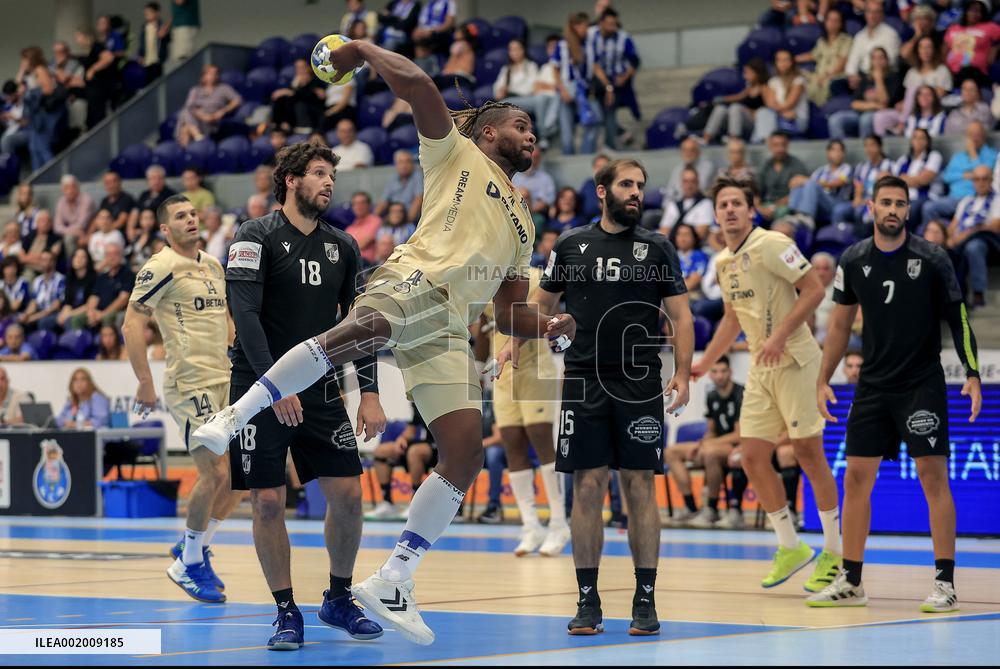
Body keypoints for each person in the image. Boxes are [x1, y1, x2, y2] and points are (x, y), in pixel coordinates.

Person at [193, 37, 575, 646]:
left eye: (534, 129)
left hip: (451, 326)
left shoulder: (526, 223)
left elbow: (508, 314)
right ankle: (234, 415)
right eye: (520, 125)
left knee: (466, 452)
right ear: (487, 133)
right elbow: (422, 87)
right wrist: (363, 49)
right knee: (354, 333)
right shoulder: (453, 155)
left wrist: (551, 325)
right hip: (414, 280)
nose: (531, 135)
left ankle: (396, 577)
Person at [505, 157, 690, 636]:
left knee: (640, 486)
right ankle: (588, 601)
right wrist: (515, 340)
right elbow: (540, 305)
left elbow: (682, 318)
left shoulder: (658, 247)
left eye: (641, 185)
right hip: (583, 379)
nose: (636, 192)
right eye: (626, 184)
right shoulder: (571, 244)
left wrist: (684, 373)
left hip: (639, 382)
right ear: (602, 190)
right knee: (587, 487)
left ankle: (644, 599)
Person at [227, 142, 389, 648]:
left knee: (347, 495)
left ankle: (338, 598)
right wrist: (272, 387)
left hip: (319, 389)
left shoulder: (343, 245)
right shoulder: (253, 236)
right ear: (291, 180)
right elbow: (246, 316)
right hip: (257, 386)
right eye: (319, 173)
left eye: (331, 176)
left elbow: (358, 325)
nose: (328, 183)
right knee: (269, 501)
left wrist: (369, 393)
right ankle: (285, 610)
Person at [811, 174, 981, 612]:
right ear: (871, 207)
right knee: (856, 479)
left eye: (900, 204)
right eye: (885, 202)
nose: (892, 210)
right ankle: (851, 581)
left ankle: (945, 583)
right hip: (872, 384)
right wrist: (822, 378)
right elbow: (839, 325)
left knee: (933, 477)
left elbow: (957, 318)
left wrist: (973, 372)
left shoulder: (932, 257)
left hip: (920, 383)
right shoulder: (853, 258)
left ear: (908, 210)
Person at [692, 176, 843, 596]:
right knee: (752, 456)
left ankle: (835, 550)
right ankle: (791, 547)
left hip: (795, 358)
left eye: (737, 203)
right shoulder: (722, 261)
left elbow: (814, 290)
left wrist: (780, 336)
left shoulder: (774, 243)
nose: (730, 210)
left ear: (751, 209)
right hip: (761, 365)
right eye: (723, 204)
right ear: (716, 214)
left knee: (809, 453)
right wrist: (704, 362)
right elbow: (731, 317)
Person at [123, 193, 242, 603]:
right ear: (165, 228)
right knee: (216, 473)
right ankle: (188, 564)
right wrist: (144, 381)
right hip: (190, 384)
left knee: (243, 476)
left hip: (225, 378)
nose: (191, 219)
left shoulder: (212, 264)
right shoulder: (160, 267)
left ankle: (194, 545)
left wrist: (237, 348)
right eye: (180, 216)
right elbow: (131, 323)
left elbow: (225, 317)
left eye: (193, 213)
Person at [481, 266, 570, 556]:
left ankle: (559, 522)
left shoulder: (535, 277)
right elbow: (482, 336)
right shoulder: (482, 279)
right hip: (502, 372)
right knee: (512, 445)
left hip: (535, 367)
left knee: (541, 441)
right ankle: (531, 525)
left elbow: (541, 319)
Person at [665, 355, 744, 527]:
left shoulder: (740, 393)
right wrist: (702, 442)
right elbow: (712, 430)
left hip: (739, 447)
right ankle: (691, 507)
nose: (719, 375)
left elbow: (739, 435)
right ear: (710, 374)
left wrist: (708, 445)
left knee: (709, 452)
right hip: (716, 444)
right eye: (714, 371)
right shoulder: (712, 395)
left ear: (730, 372)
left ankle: (711, 509)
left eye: (723, 371)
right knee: (671, 452)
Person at [922, 122, 998, 229]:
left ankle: (954, 231)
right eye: (971, 134)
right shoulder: (958, 157)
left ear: (984, 135)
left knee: (929, 207)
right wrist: (963, 175)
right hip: (953, 197)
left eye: (978, 134)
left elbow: (982, 175)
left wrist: (973, 155)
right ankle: (946, 232)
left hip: (973, 198)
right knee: (928, 207)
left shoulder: (992, 154)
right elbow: (946, 176)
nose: (974, 138)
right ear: (967, 137)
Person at [371, 404, 437, 520]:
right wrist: (402, 439)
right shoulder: (419, 401)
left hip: (442, 446)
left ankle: (415, 504)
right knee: (381, 451)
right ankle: (387, 502)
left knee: (414, 452)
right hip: (425, 444)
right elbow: (411, 428)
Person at [946, 165, 1000, 308]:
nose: (980, 183)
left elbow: (995, 226)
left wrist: (968, 233)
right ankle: (951, 296)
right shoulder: (966, 201)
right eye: (976, 179)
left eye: (984, 179)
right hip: (962, 240)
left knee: (973, 246)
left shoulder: (997, 200)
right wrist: (950, 238)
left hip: (990, 243)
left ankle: (978, 293)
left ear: (991, 181)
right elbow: (952, 226)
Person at [587, 8, 640, 150]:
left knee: (609, 111)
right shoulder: (591, 35)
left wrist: (624, 77)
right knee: (600, 115)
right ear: (601, 23)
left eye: (615, 24)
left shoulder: (624, 37)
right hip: (596, 83)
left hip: (617, 83)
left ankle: (610, 146)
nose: (613, 27)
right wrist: (607, 86)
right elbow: (594, 64)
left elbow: (635, 61)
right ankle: (620, 134)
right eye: (610, 24)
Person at [494, 39, 559, 147]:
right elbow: (497, 89)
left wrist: (513, 87)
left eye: (517, 49)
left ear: (523, 50)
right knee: (503, 104)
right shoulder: (506, 69)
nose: (514, 52)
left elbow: (532, 87)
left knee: (540, 99)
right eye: (511, 50)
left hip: (528, 98)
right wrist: (501, 90)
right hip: (510, 99)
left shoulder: (531, 66)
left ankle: (543, 136)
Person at [552, 12, 601, 155]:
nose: (586, 29)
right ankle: (568, 156)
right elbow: (555, 70)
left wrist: (608, 86)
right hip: (567, 90)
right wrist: (563, 91)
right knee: (567, 129)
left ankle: (587, 154)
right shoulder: (562, 45)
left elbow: (596, 67)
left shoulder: (589, 45)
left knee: (594, 121)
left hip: (585, 91)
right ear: (575, 26)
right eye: (585, 26)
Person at [828, 47, 901, 140]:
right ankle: (840, 150)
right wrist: (874, 105)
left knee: (865, 119)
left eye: (881, 57)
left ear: (886, 60)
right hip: (860, 113)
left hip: (879, 116)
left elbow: (884, 102)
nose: (877, 61)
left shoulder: (893, 78)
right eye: (874, 58)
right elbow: (855, 104)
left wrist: (878, 79)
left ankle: (866, 150)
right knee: (835, 119)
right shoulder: (865, 79)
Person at [701, 58, 769, 144]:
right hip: (741, 120)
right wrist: (720, 99)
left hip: (754, 123)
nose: (745, 76)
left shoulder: (765, 89)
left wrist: (751, 111)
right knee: (720, 109)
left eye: (748, 73)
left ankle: (734, 138)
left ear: (757, 73)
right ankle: (706, 138)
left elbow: (768, 111)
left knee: (736, 107)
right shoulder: (749, 88)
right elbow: (737, 97)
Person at [789, 139, 853, 228]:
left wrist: (805, 180)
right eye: (833, 150)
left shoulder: (846, 168)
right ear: (828, 153)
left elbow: (837, 183)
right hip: (821, 202)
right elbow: (808, 187)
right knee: (799, 187)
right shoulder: (821, 170)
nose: (837, 153)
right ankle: (794, 214)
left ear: (844, 154)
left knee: (809, 183)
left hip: (836, 202)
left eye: (840, 150)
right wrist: (798, 181)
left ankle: (807, 216)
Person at [174, 64, 242, 147]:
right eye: (209, 73)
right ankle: (198, 139)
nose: (212, 76)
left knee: (185, 125)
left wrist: (223, 111)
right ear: (204, 76)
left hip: (212, 122)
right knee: (186, 118)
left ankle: (191, 149)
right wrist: (204, 117)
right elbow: (190, 106)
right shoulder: (195, 90)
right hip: (197, 120)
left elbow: (238, 100)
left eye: (215, 73)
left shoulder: (224, 88)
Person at [833, 134, 892, 228]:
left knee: (861, 211)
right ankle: (840, 238)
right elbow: (858, 185)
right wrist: (857, 198)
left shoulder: (888, 165)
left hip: (877, 202)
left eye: (872, 145)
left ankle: (861, 240)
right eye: (866, 146)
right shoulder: (861, 167)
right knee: (839, 210)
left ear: (880, 147)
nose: (869, 149)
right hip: (862, 200)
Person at [798, 9, 852, 106]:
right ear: (825, 22)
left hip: (835, 76)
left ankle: (820, 109)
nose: (832, 23)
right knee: (797, 75)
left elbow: (843, 62)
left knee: (821, 86)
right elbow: (812, 55)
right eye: (830, 20)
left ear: (841, 24)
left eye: (836, 21)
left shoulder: (846, 40)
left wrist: (827, 76)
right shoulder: (822, 41)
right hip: (819, 75)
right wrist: (792, 59)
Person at [891, 127, 942, 232]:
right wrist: (914, 180)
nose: (918, 141)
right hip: (904, 198)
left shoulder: (934, 156)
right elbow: (893, 181)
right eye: (915, 137)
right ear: (911, 141)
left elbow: (924, 180)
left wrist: (903, 178)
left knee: (909, 210)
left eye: (922, 138)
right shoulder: (904, 159)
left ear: (927, 142)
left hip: (926, 197)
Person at [753, 49, 810, 142]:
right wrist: (781, 112)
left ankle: (760, 143)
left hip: (796, 120)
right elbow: (770, 104)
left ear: (792, 62)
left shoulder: (799, 81)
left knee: (764, 115)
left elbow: (789, 104)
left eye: (786, 60)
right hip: (779, 117)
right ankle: (763, 141)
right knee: (763, 112)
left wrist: (779, 109)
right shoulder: (773, 82)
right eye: (779, 60)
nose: (782, 63)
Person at [942, 0, 1000, 89]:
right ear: (966, 11)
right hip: (952, 74)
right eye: (972, 10)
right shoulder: (954, 27)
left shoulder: (990, 27)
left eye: (978, 11)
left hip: (976, 74)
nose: (975, 14)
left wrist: (993, 51)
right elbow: (944, 50)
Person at [756, 131, 809, 223]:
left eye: (783, 145)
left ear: (787, 145)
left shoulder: (797, 164)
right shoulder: (765, 165)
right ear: (770, 146)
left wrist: (775, 206)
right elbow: (756, 192)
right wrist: (760, 208)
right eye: (776, 145)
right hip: (766, 204)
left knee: (781, 216)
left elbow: (802, 192)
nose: (780, 149)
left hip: (787, 206)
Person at [844, 0, 901, 84]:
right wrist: (852, 75)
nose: (872, 15)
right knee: (836, 85)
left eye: (876, 12)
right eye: (869, 11)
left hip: (884, 76)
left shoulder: (890, 34)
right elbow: (852, 61)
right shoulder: (860, 36)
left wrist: (874, 74)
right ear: (865, 14)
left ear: (882, 15)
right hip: (863, 76)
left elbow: (891, 62)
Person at [83, 243, 134, 329]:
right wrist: (91, 312)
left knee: (107, 318)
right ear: (105, 257)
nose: (112, 257)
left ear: (121, 256)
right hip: (98, 312)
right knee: (77, 319)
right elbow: (94, 297)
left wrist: (103, 314)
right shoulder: (102, 277)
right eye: (109, 254)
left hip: (117, 312)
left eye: (115, 254)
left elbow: (123, 299)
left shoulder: (128, 274)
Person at [75, 27, 117, 129]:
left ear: (85, 36)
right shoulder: (92, 49)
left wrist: (93, 69)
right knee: (91, 119)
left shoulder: (97, 46)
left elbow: (109, 57)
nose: (77, 40)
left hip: (99, 89)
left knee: (97, 118)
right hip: (93, 90)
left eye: (78, 37)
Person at [271, 59, 326, 134]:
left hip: (311, 115)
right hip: (294, 116)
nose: (300, 70)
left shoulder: (316, 81)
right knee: (281, 98)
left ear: (309, 68)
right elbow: (289, 95)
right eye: (297, 68)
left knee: (298, 102)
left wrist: (292, 89)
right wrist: (293, 87)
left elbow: (306, 97)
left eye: (302, 67)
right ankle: (279, 124)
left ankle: (289, 124)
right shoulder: (295, 81)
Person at [659, 167, 715, 239]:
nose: (689, 185)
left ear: (698, 183)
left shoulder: (706, 204)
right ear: (681, 183)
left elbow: (701, 233)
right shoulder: (672, 205)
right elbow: (664, 231)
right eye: (686, 181)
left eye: (692, 181)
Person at [19, 251, 64, 331]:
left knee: (43, 322)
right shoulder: (37, 280)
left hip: (54, 313)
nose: (45, 263)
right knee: (19, 320)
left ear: (53, 262)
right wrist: (26, 315)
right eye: (43, 260)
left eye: (48, 260)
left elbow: (56, 306)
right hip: (39, 312)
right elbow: (33, 302)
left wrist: (35, 317)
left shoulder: (60, 279)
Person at [513, 147, 556, 226]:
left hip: (535, 215)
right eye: (530, 157)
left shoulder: (545, 179)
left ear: (539, 160)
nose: (532, 161)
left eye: (536, 158)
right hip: (514, 213)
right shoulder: (513, 176)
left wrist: (528, 211)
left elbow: (546, 201)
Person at [375, 150, 423, 222]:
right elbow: (383, 201)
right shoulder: (394, 178)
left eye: (408, 161)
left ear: (413, 164)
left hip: (411, 219)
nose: (404, 165)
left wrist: (406, 223)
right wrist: (373, 220)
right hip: (394, 216)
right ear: (396, 165)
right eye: (401, 162)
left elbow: (418, 200)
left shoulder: (418, 175)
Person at [129, 165, 177, 234]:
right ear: (148, 180)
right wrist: (130, 229)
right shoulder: (144, 195)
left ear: (164, 179)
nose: (156, 181)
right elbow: (135, 212)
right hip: (141, 231)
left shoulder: (170, 195)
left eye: (159, 178)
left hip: (160, 231)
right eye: (153, 178)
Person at [665, 137, 715, 202]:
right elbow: (669, 192)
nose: (688, 153)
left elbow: (696, 189)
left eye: (692, 150)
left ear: (698, 152)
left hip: (699, 204)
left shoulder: (707, 166)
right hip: (678, 205)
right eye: (685, 150)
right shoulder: (677, 169)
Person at [57, 247, 96, 331]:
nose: (78, 259)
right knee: (47, 321)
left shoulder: (93, 278)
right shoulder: (69, 278)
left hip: (86, 312)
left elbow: (89, 305)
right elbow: (68, 303)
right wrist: (63, 314)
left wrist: (69, 314)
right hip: (72, 312)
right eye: (76, 256)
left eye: (82, 257)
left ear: (88, 261)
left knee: (69, 320)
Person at [54, 175, 96, 244]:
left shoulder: (86, 200)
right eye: (66, 188)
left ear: (78, 187)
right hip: (73, 232)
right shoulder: (61, 202)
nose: (70, 191)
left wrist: (66, 230)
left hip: (88, 232)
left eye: (72, 187)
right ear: (62, 190)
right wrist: (70, 231)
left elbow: (81, 225)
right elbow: (57, 226)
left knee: (69, 238)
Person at [21, 210, 64, 276]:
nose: (46, 223)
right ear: (37, 223)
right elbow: (22, 257)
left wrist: (29, 256)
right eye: (43, 221)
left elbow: (49, 258)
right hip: (27, 269)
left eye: (48, 221)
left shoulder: (56, 238)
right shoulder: (29, 236)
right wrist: (39, 257)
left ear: (51, 223)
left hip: (45, 271)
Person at [344, 191, 382, 265]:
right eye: (356, 204)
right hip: (351, 263)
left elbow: (362, 244)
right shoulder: (350, 228)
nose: (359, 206)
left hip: (367, 265)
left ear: (369, 205)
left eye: (362, 203)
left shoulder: (375, 221)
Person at [138, 2, 171, 83]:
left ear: (156, 13)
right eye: (146, 13)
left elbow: (168, 39)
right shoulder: (144, 27)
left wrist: (164, 35)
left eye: (149, 12)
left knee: (158, 80)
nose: (147, 15)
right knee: (147, 81)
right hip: (147, 60)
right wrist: (141, 55)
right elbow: (142, 43)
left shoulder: (161, 26)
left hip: (157, 59)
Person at [169, 0, 201, 64]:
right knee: (179, 57)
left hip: (185, 25)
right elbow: (174, 13)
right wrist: (166, 27)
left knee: (185, 56)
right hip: (179, 26)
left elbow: (180, 1)